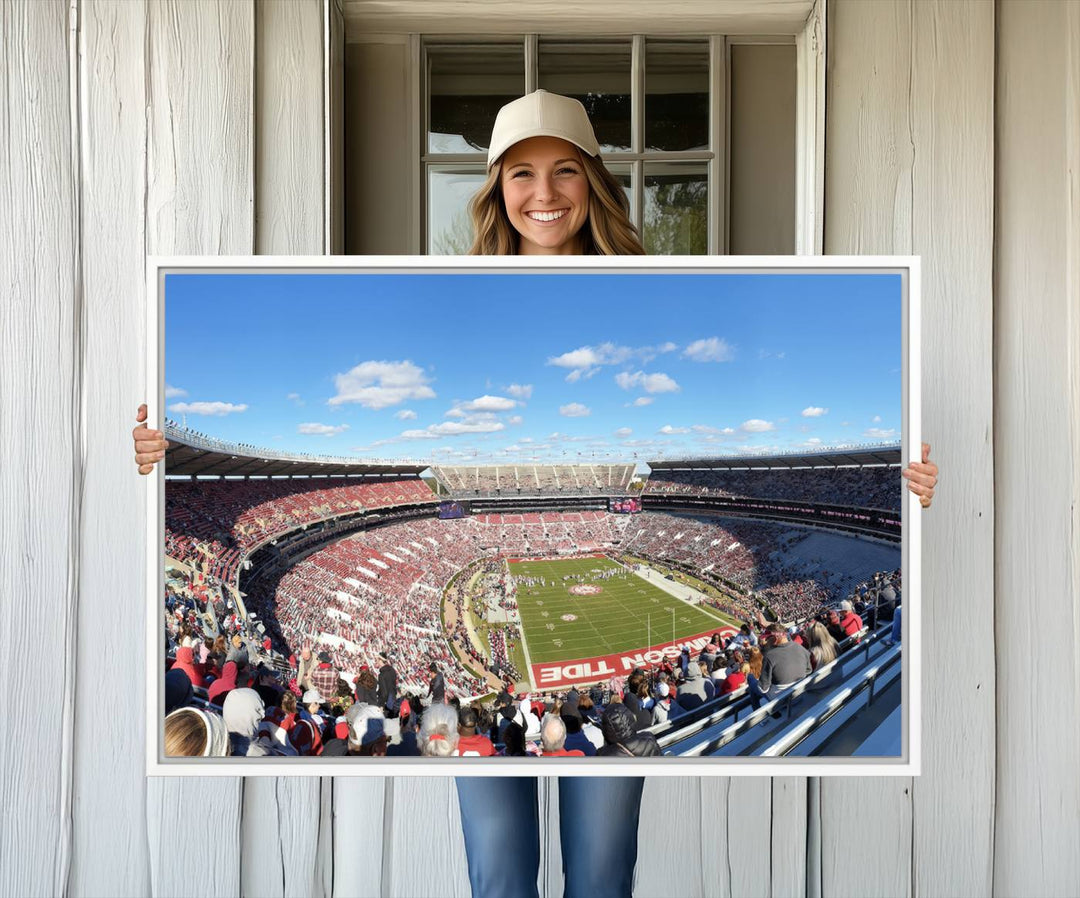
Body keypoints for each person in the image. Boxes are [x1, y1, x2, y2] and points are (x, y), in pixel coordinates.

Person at [132, 88, 939, 898]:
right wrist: (155, 462)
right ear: (495, 189)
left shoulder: (660, 284)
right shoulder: (447, 293)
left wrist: (908, 489)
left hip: (608, 728)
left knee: (600, 874)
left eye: (564, 171)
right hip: (499, 728)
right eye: (521, 173)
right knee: (501, 875)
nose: (544, 193)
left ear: (593, 181)